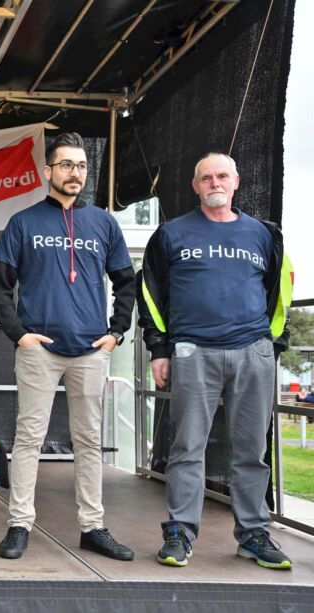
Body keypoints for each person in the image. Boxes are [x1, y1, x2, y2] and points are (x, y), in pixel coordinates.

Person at [138, 153, 293, 569]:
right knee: (186, 448)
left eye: (221, 175)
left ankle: (254, 534)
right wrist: (159, 349)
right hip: (193, 352)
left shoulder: (264, 234)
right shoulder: (171, 234)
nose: (214, 182)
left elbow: (280, 291)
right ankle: (180, 534)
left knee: (251, 450)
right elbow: (150, 293)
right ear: (195, 186)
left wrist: (273, 343)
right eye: (205, 177)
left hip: (252, 352)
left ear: (236, 181)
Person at [0, 132, 136, 561]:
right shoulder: (24, 221)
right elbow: (0, 287)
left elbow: (127, 281)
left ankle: (93, 527)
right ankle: (19, 524)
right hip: (40, 349)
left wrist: (117, 332)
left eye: (82, 166)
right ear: (48, 171)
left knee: (89, 441)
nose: (76, 173)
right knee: (29, 438)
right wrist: (20, 334)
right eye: (67, 165)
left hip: (91, 350)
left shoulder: (104, 223)